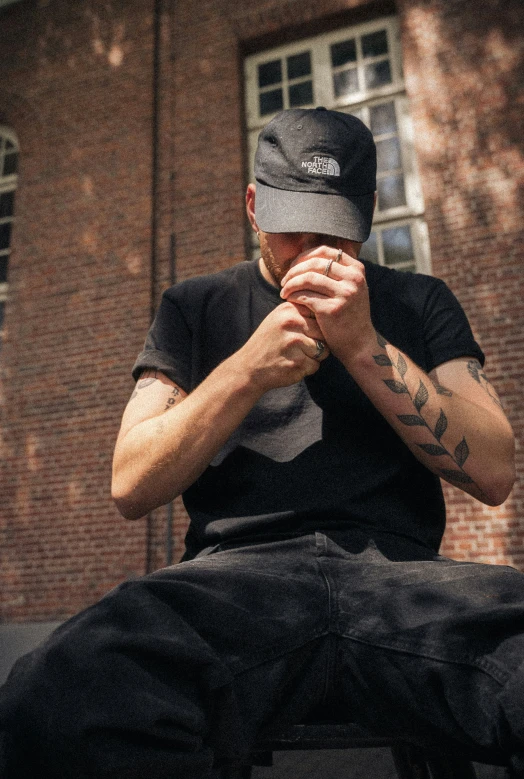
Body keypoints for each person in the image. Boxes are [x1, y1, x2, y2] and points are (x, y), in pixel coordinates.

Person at [0, 107, 520, 779]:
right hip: (234, 578)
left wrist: (364, 345)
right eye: (290, 229)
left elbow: (496, 469)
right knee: (57, 692)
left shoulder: (418, 300)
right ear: (253, 206)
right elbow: (130, 483)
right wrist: (246, 370)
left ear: (366, 217)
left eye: (334, 234)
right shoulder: (196, 306)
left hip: (405, 579)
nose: (309, 252)